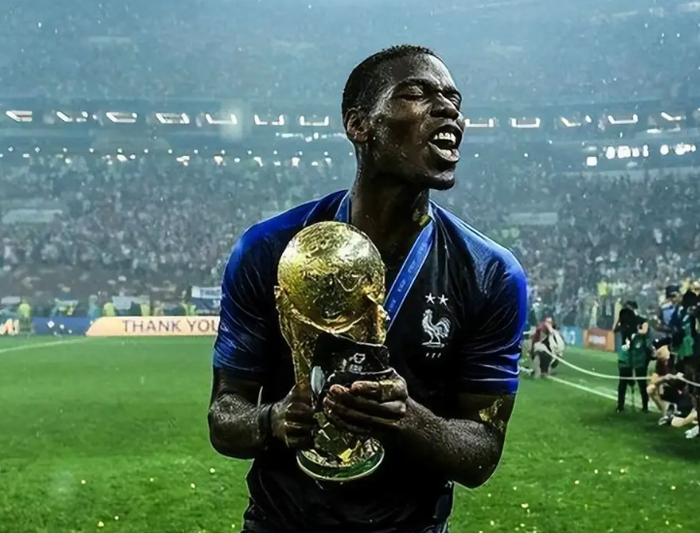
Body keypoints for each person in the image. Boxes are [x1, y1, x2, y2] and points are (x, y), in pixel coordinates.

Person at [208, 45, 528, 533]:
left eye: (454, 100)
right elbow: (224, 416)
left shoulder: (491, 274)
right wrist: (272, 420)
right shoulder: (270, 250)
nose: (448, 110)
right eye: (417, 93)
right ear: (359, 125)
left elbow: (481, 454)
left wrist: (407, 418)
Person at [614, 301, 650, 413]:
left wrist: (636, 331)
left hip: (638, 352)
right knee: (623, 380)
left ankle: (645, 406)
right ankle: (620, 406)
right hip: (626, 351)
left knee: (641, 380)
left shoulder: (641, 320)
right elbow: (614, 329)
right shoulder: (624, 320)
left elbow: (645, 331)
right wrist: (619, 319)